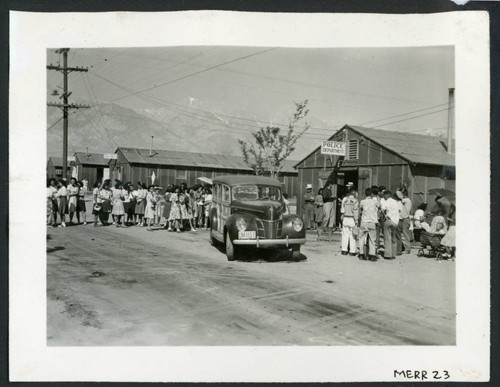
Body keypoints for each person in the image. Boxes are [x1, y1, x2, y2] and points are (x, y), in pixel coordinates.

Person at [358, 187, 379, 261]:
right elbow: (379, 208)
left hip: (364, 222)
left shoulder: (362, 202)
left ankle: (361, 253)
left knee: (361, 238)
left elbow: (360, 211)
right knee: (372, 239)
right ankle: (372, 255)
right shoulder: (375, 202)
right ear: (372, 194)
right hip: (372, 222)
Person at [340, 187, 359, 256]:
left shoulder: (345, 200)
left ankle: (344, 250)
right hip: (352, 219)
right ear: (354, 193)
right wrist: (356, 220)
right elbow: (355, 211)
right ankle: (352, 250)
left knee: (345, 234)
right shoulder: (355, 201)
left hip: (345, 218)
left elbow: (342, 210)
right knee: (353, 235)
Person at [381, 190, 399, 259]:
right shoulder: (395, 202)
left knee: (387, 238)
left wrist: (385, 215)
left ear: (386, 195)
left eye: (384, 196)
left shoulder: (387, 201)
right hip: (395, 222)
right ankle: (394, 254)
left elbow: (382, 209)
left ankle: (388, 254)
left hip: (389, 220)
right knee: (394, 238)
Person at [398, 189, 412, 254]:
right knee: (405, 234)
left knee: (405, 234)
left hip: (405, 219)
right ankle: (406, 248)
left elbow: (399, 196)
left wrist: (399, 191)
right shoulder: (408, 201)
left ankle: (407, 248)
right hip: (406, 219)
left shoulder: (406, 200)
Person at [376, 185, 386, 252]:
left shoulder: (384, 199)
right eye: (383, 192)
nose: (383, 194)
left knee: (384, 231)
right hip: (377, 215)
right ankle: (377, 243)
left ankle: (386, 244)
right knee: (377, 230)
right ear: (379, 192)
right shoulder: (376, 198)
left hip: (383, 215)